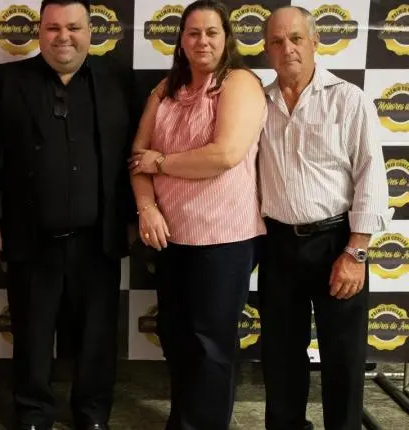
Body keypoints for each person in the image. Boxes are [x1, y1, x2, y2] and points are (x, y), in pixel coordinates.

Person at [0, 0, 137, 428]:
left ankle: (92, 414)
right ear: (39, 31)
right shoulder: (7, 81)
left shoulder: (118, 79)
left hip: (98, 238)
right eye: (54, 27)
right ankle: (33, 413)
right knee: (32, 334)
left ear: (90, 31)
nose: (64, 37)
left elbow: (135, 153)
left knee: (96, 337)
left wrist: (136, 215)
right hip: (30, 237)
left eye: (74, 27)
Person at [128, 0, 266, 428]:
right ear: (181, 40)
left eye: (211, 32)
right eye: (193, 32)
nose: (202, 40)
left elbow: (223, 155)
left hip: (224, 239)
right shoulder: (166, 88)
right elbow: (137, 157)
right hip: (169, 236)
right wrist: (147, 207)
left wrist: (161, 162)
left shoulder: (239, 82)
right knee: (176, 338)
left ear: (227, 38)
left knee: (211, 345)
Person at [258, 6, 392, 430]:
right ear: (266, 50)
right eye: (277, 41)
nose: (287, 48)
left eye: (296, 38)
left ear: (315, 42)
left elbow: (372, 175)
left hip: (337, 243)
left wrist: (357, 251)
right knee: (280, 354)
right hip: (277, 244)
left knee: (344, 355)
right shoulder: (257, 103)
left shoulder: (349, 99)